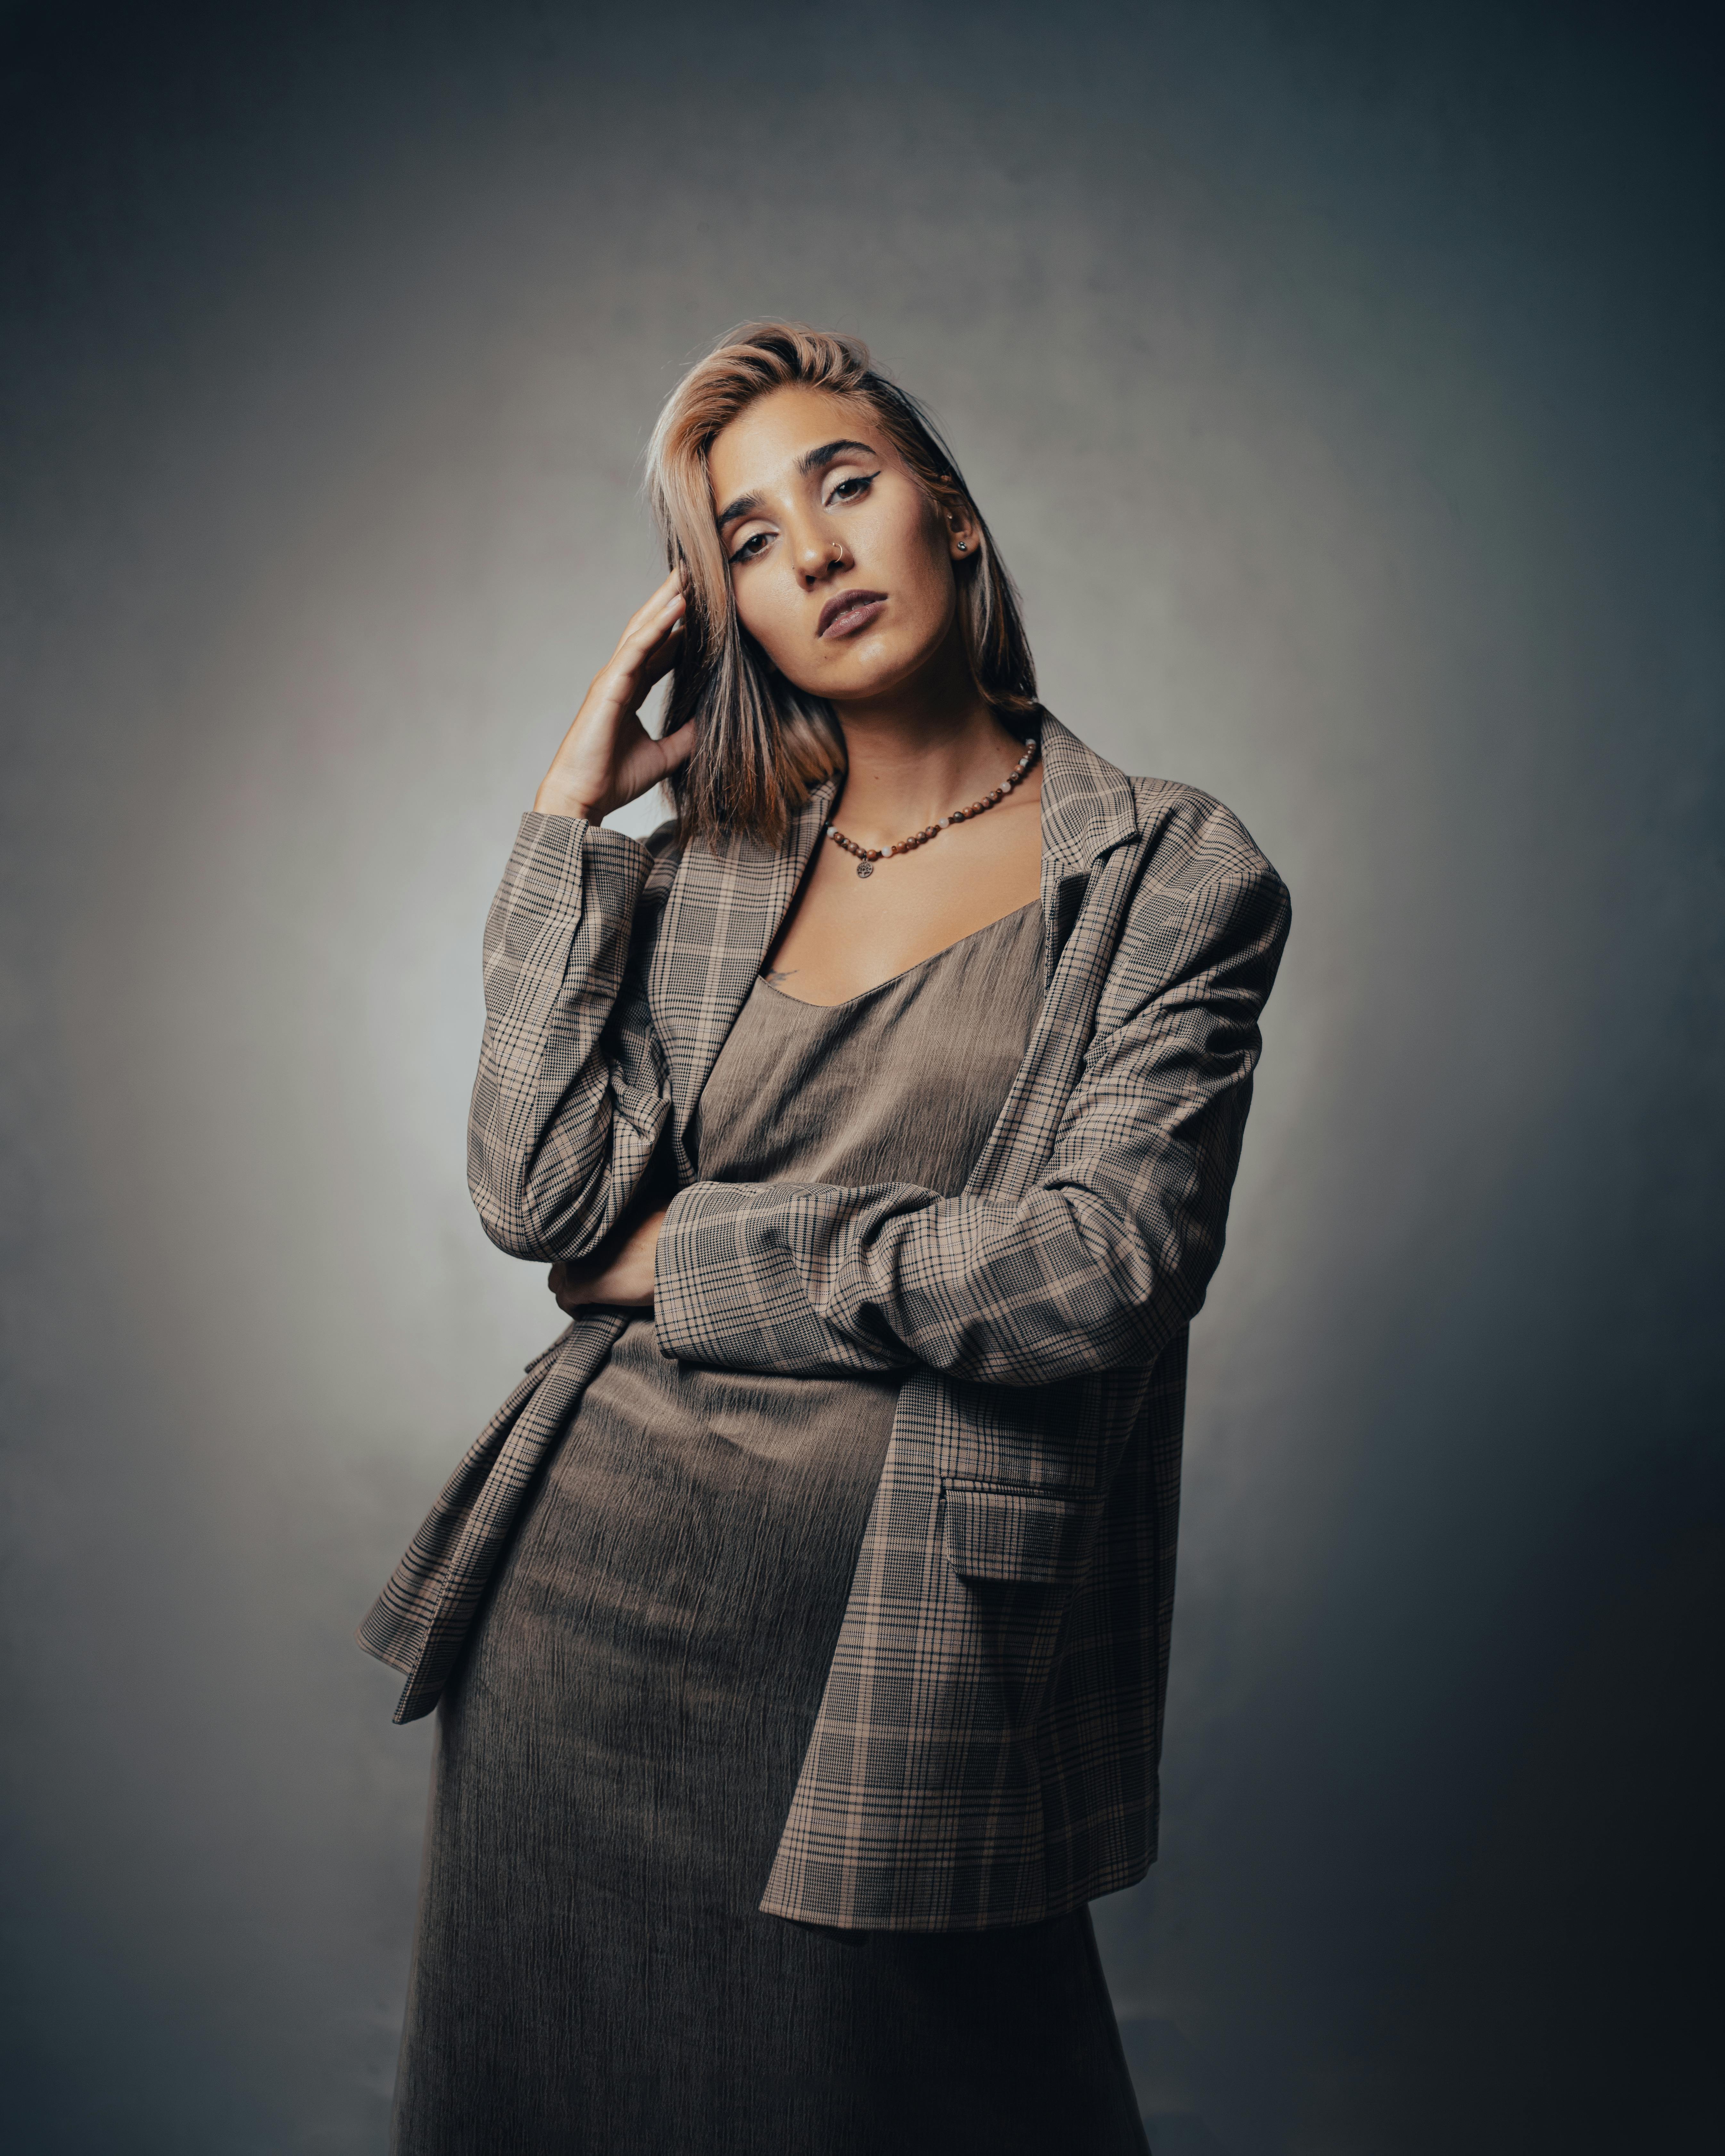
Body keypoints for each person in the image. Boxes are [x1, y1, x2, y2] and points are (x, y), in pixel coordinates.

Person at [360, 320, 1291, 2154]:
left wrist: (697, 1258)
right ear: (731, 614)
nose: (817, 552)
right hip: (583, 1633)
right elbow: (539, 1197)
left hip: (909, 1646)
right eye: (752, 541)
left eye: (845, 485)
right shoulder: (707, 861)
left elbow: (1100, 1264)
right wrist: (570, 822)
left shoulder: (1172, 873)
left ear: (950, 511)